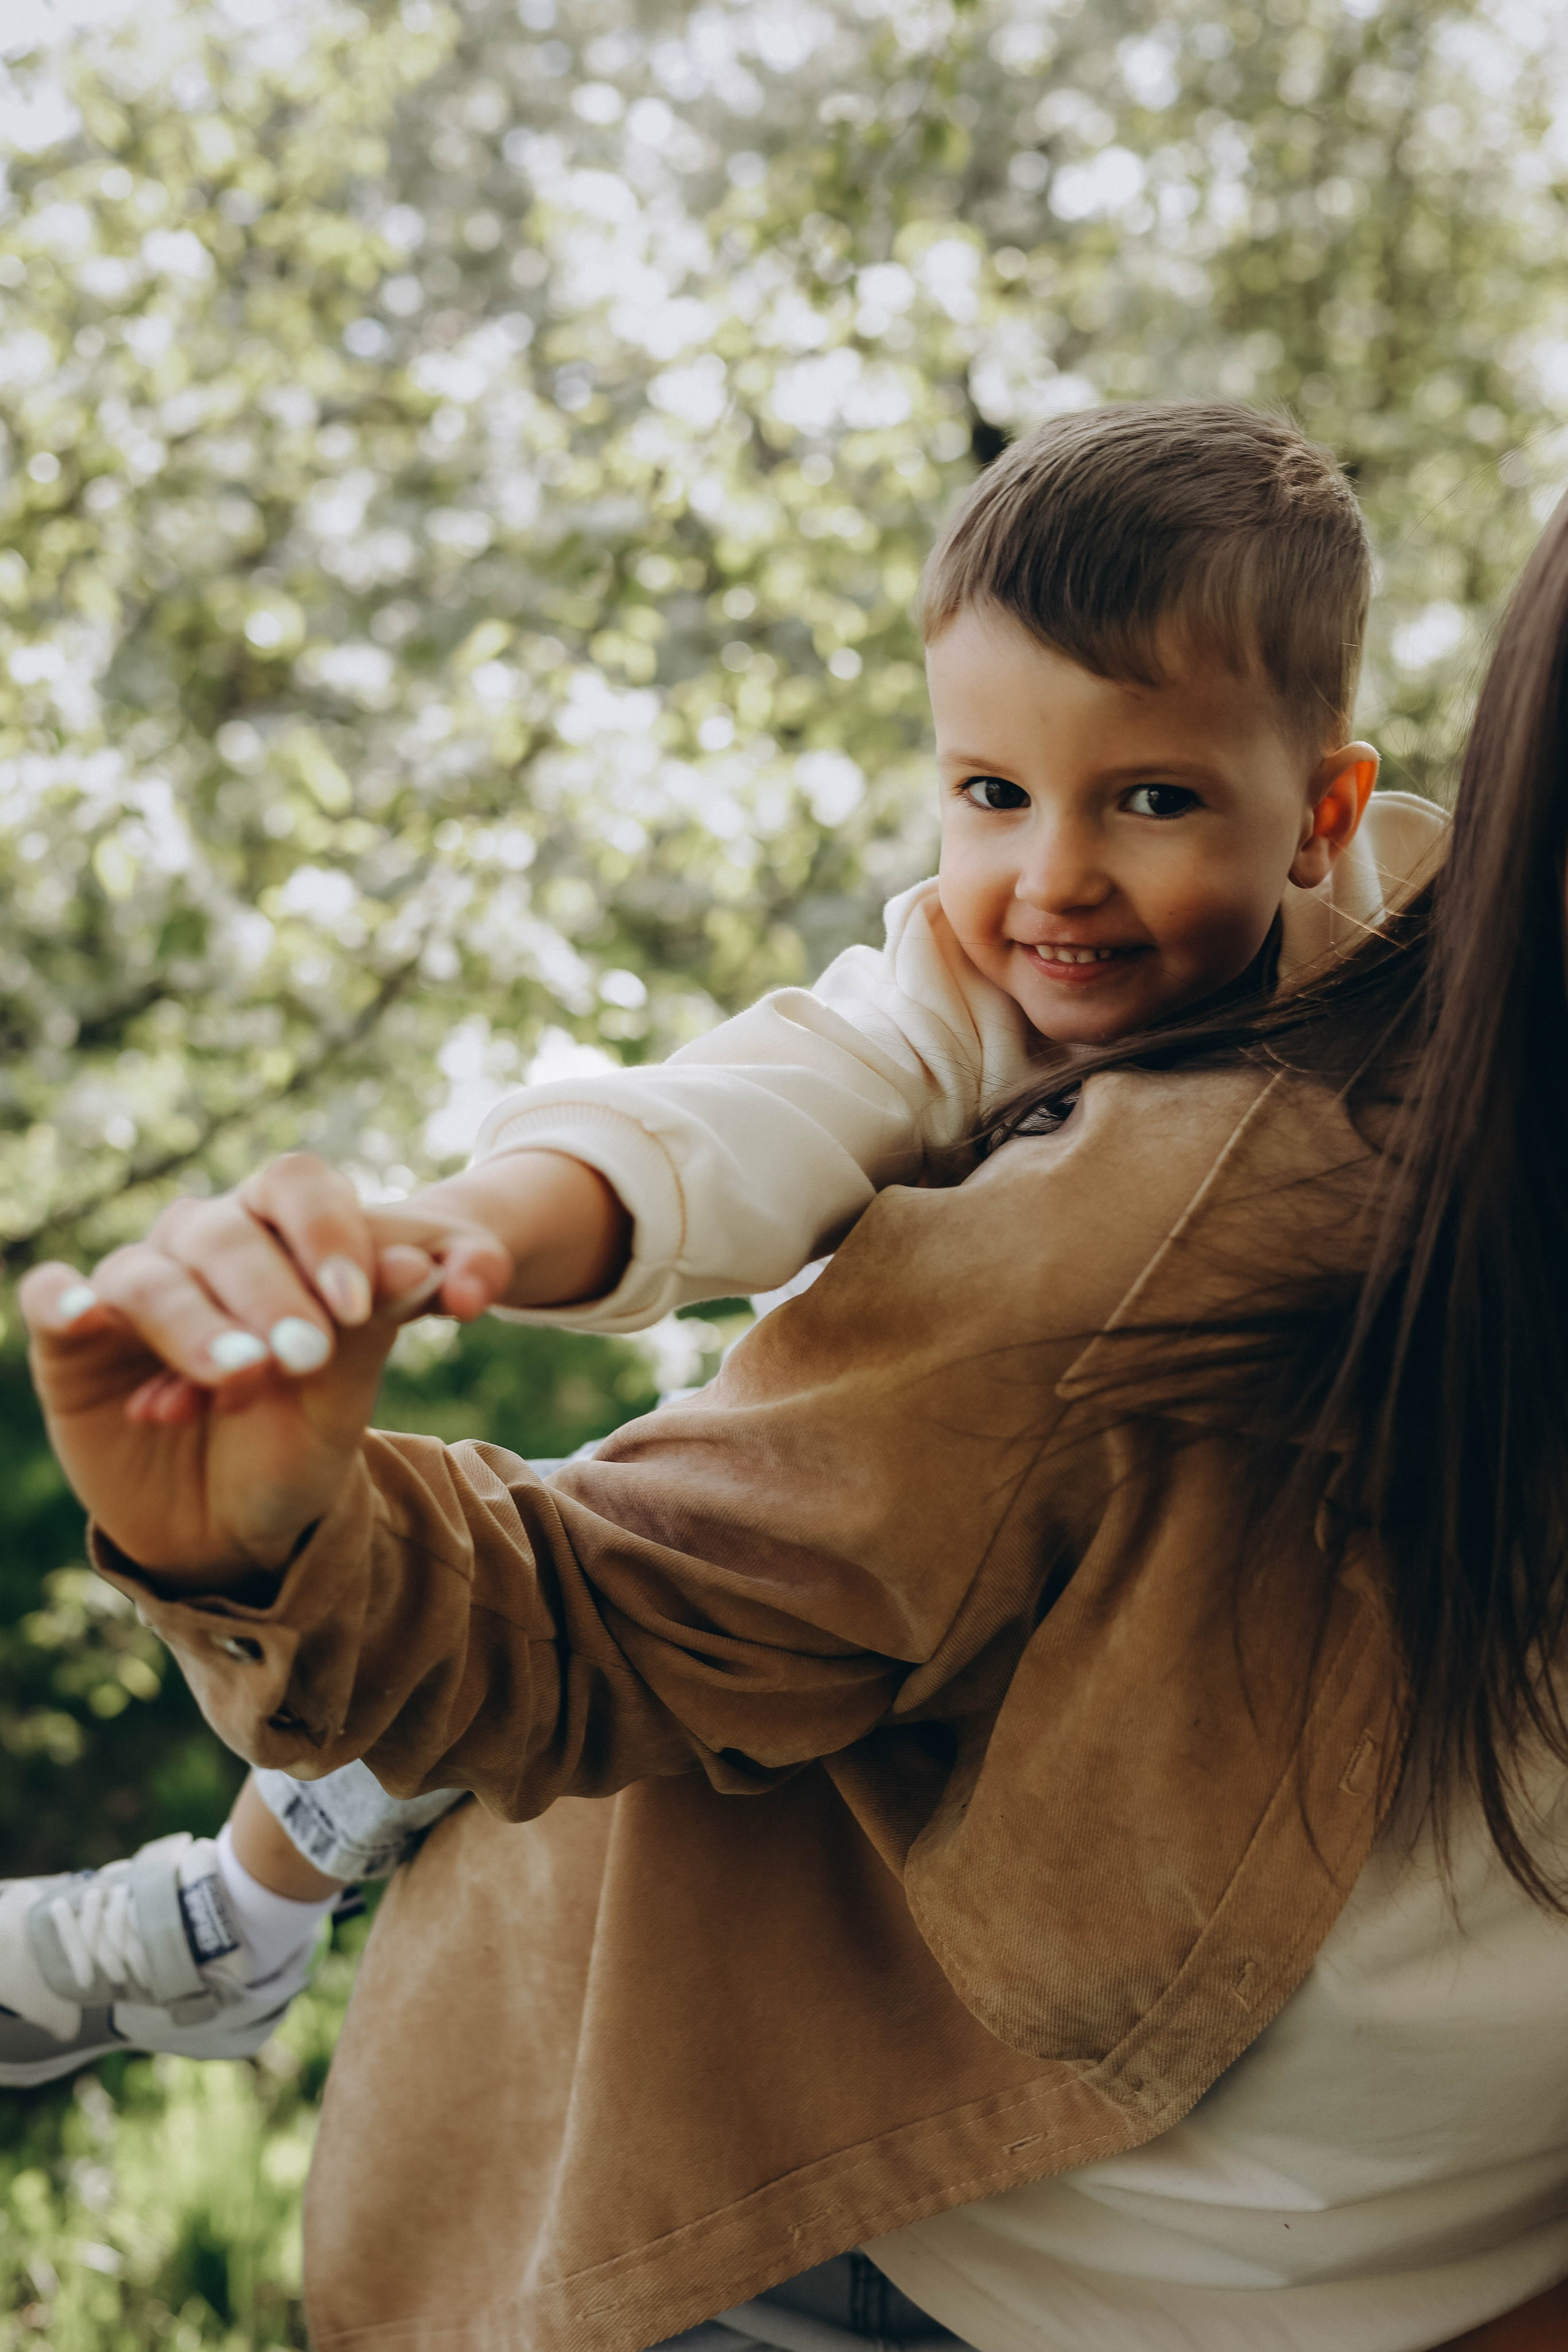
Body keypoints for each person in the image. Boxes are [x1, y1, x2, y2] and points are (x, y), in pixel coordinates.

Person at [14, 490, 1568, 2350]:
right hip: (906, 2249)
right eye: (990, 794)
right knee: (592, 1520)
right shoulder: (1121, 1127)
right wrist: (452, 1255)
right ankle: (217, 1918)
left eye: (1149, 799)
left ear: (1318, 812)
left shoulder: (1272, 958)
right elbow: (755, 1119)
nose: (1053, 877)